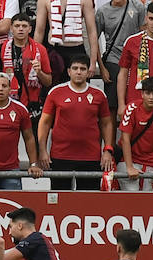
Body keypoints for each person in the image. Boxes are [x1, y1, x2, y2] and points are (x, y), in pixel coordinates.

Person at [38, 54, 114, 189]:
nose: (79, 72)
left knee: (88, 203)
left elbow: (106, 123)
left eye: (83, 69)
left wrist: (107, 150)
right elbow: (44, 123)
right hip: (61, 156)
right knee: (60, 201)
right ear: (69, 71)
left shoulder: (99, 94)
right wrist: (42, 150)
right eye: (75, 68)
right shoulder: (56, 92)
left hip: (91, 157)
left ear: (88, 72)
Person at [36, 0, 97, 76]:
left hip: (76, 49)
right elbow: (39, 31)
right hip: (54, 49)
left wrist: (93, 61)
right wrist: (37, 57)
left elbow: (92, 31)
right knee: (53, 91)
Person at [118, 75, 153, 189]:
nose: (151, 97)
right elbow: (125, 139)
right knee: (132, 199)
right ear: (142, 94)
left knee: (152, 202)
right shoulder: (132, 108)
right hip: (129, 160)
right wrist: (129, 167)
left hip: (152, 161)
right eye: (148, 93)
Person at [94, 0, 145, 88]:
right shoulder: (102, 11)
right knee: (113, 102)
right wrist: (102, 68)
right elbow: (93, 41)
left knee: (133, 98)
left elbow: (144, 35)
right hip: (113, 61)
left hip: (135, 61)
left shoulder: (138, 8)